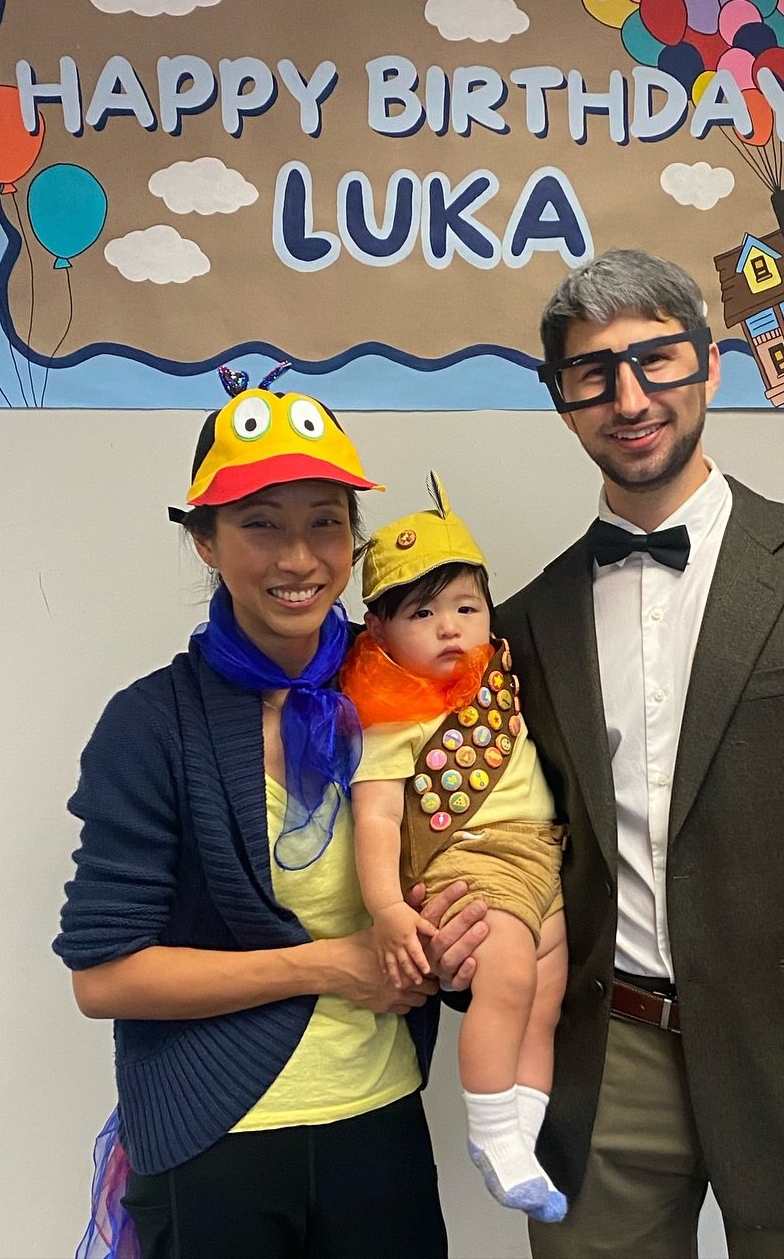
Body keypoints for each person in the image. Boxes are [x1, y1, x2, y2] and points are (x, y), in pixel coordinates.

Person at [494, 250, 784, 1259]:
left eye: (656, 359)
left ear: (710, 366)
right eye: (593, 373)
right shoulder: (523, 625)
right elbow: (514, 840)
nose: (629, 397)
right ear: (563, 401)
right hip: (604, 1058)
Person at [54, 367, 488, 1259]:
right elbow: (105, 979)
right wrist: (330, 965)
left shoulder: (412, 697)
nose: (299, 560)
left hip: (380, 1122)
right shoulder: (151, 726)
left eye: (325, 522)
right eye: (261, 525)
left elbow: (481, 854)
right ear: (206, 541)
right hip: (217, 1138)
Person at [340, 475, 569, 1223]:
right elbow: (376, 821)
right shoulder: (387, 714)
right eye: (423, 611)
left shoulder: (501, 674)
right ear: (376, 629)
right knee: (503, 977)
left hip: (542, 858)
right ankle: (492, 1132)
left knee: (545, 997)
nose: (450, 628)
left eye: (466, 607)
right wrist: (385, 909)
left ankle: (523, 1142)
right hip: (469, 861)